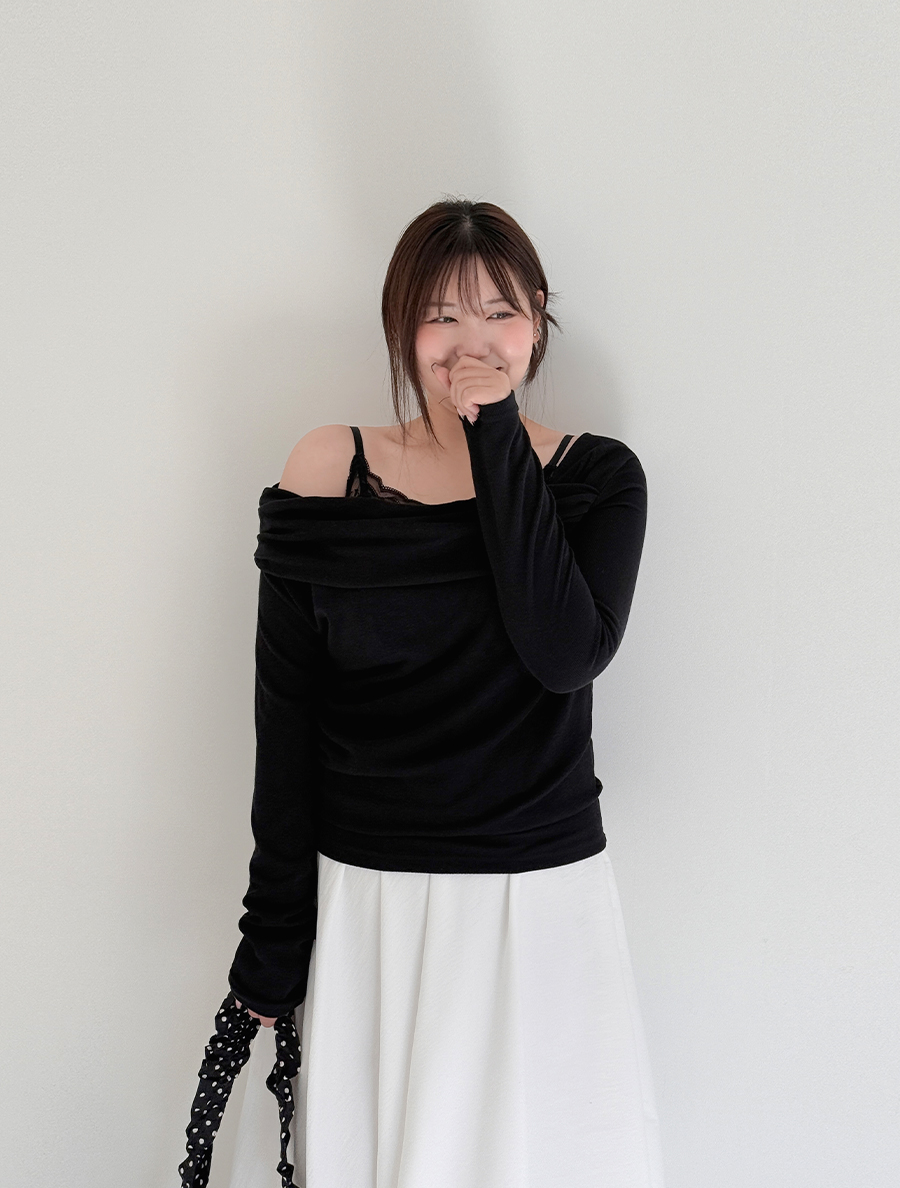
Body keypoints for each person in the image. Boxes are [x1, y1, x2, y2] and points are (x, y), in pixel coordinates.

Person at [227, 198, 665, 1187]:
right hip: (372, 900)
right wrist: (271, 943)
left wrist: (495, 433)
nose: (472, 343)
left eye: (500, 313)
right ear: (401, 327)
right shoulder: (326, 468)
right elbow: (285, 724)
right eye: (441, 317)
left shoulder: (599, 479)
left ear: (538, 318)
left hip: (537, 899)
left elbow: (563, 652)